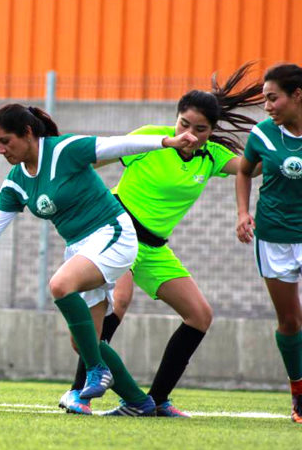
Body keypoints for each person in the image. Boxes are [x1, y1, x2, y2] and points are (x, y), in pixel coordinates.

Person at [0, 103, 198, 416]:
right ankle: (138, 403)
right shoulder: (17, 180)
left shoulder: (64, 150)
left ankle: (97, 371)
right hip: (80, 248)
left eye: (6, 141)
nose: (1, 149)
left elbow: (117, 144)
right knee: (84, 341)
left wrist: (166, 141)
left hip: (113, 233)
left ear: (28, 133)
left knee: (60, 284)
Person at [61, 62, 264, 417]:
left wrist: (278, 142)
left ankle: (155, 401)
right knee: (118, 301)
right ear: (176, 119)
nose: (189, 133)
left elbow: (251, 168)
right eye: (183, 124)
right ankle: (80, 393)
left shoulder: (212, 157)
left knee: (200, 315)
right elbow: (92, 162)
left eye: (200, 129)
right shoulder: (151, 138)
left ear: (211, 131)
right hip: (117, 232)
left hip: (154, 247)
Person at [236, 63, 302, 424]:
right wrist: (243, 213)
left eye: (272, 98)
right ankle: (298, 393)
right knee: (290, 321)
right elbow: (245, 170)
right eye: (264, 99)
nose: (267, 106)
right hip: (274, 237)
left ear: (297, 96)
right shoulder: (262, 134)